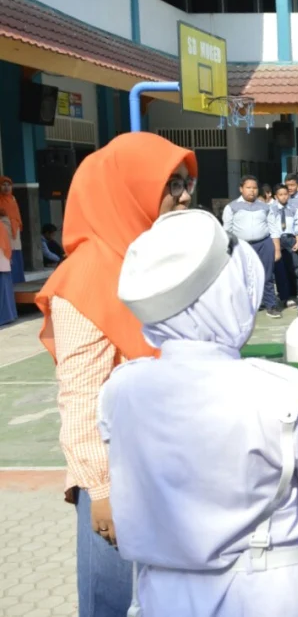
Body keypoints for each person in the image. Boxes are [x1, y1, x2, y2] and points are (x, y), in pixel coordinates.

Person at [100, 210, 298, 616]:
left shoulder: (121, 389)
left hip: (162, 592)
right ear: (228, 294)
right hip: (264, 589)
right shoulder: (279, 389)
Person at [34, 132, 197, 617]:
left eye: (187, 182)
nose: (186, 195)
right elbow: (81, 400)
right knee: (110, 600)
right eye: (172, 184)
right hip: (116, 474)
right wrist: (101, 494)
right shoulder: (84, 277)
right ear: (128, 190)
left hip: (167, 460)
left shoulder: (150, 261)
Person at [222, 175, 282, 319]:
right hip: (241, 246)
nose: (252, 191)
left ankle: (270, 305)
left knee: (267, 276)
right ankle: (243, 308)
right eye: (248, 188)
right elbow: (227, 230)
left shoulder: (265, 207)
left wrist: (277, 249)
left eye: (255, 188)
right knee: (242, 277)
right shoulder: (231, 207)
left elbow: (273, 228)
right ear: (241, 189)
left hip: (264, 244)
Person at [269, 183, 298, 308]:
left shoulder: (293, 209)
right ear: (276, 196)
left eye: (285, 194)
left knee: (296, 268)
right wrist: (275, 244)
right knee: (281, 270)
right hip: (277, 240)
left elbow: (297, 225)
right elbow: (270, 227)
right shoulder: (270, 209)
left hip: (290, 239)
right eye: (280, 195)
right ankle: (284, 297)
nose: (283, 197)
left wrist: (297, 241)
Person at [0, 176, 25, 283]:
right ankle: (12, 280)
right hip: (4, 229)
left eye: (8, 185)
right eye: (3, 185)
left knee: (16, 253)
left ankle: (18, 279)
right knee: (8, 253)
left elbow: (16, 214)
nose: (6, 187)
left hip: (15, 229)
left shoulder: (13, 198)